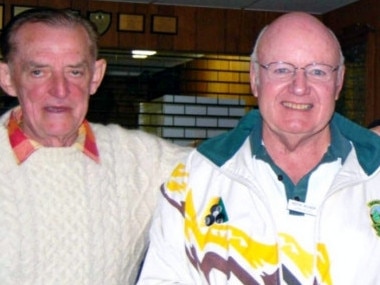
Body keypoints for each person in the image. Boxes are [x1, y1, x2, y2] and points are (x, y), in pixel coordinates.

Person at [137, 12, 380, 285]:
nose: (299, 87)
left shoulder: (375, 175)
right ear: (255, 78)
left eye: (318, 71)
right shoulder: (194, 181)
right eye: (281, 69)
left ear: (338, 82)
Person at [0, 8, 190, 284]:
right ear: (7, 78)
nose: (60, 90)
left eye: (75, 71)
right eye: (39, 72)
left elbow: (232, 169)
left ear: (95, 76)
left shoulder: (143, 160)